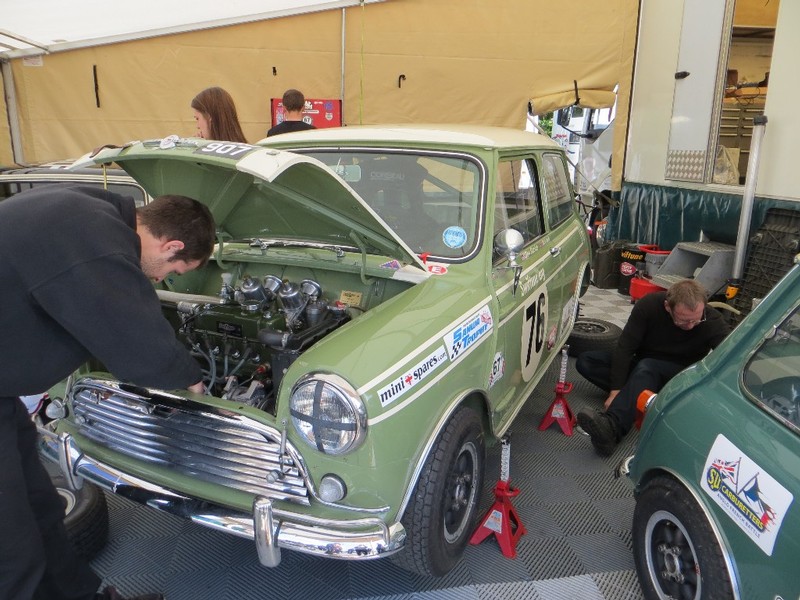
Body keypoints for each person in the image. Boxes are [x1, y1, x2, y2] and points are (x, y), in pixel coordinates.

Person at [0, 184, 216, 600]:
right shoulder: (96, 242)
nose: (160, 279)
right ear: (170, 244)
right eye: (171, 272)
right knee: (11, 552)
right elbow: (136, 344)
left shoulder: (89, 208)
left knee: (41, 509)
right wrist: (189, 377)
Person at [576, 279, 730, 456]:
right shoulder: (648, 306)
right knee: (587, 361)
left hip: (678, 377)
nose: (690, 326)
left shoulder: (712, 320)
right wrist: (615, 390)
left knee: (647, 366)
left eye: (696, 321)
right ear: (667, 307)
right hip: (643, 369)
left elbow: (732, 356)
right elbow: (625, 348)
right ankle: (636, 395)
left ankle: (612, 428)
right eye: (683, 321)